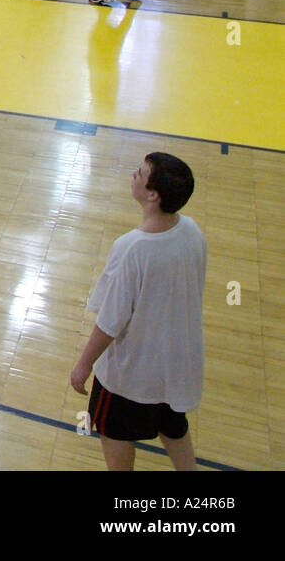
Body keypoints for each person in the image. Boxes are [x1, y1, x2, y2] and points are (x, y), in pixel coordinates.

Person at [71, 153, 205, 471]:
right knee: (172, 426)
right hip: (177, 363)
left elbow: (110, 321)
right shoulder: (192, 232)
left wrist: (83, 364)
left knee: (113, 432)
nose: (133, 174)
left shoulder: (132, 249)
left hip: (130, 374)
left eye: (140, 173)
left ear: (153, 193)